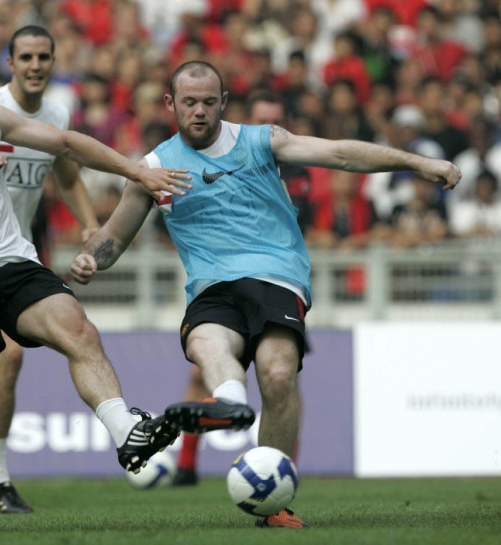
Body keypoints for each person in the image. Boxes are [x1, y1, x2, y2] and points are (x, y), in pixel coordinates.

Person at [70, 61, 461, 529]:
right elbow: (114, 239)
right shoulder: (155, 167)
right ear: (171, 104)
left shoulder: (260, 140)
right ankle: (232, 404)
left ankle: (273, 505)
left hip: (275, 278)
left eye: (209, 102)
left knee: (277, 377)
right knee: (207, 343)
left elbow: (340, 154)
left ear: (224, 102)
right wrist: (92, 257)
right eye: (189, 103)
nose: (199, 112)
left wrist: (419, 163)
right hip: (212, 287)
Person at [0, 39, 189, 533]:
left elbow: (65, 144)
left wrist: (137, 172)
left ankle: (126, 429)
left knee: (77, 329)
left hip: (8, 259)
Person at [0, 25, 101, 514]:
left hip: (16, 257)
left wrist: (90, 224)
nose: (36, 65)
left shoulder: (57, 113)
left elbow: (67, 173)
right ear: (10, 62)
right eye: (26, 56)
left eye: (44, 56)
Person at [170, 89, 312, 487]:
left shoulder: (297, 168)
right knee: (205, 367)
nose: (270, 124)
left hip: (277, 280)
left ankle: (280, 471)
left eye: (276, 117)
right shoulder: (235, 152)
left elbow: (306, 223)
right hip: (220, 279)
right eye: (263, 117)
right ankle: (186, 464)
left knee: (282, 376)